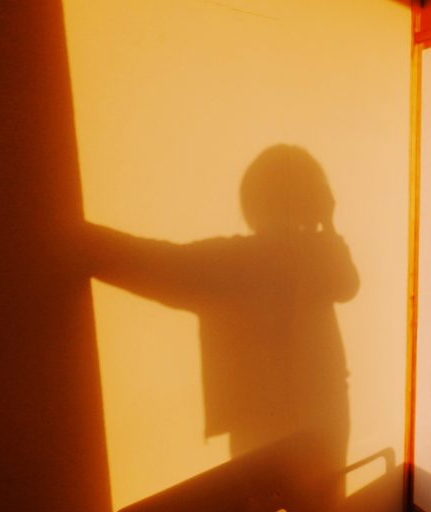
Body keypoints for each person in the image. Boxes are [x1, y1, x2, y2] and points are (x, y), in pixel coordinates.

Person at [86, 144, 359, 511]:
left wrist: (83, 241)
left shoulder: (232, 261)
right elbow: (347, 283)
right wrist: (326, 224)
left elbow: (157, 265)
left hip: (259, 423)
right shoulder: (315, 254)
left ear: (253, 202)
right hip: (321, 416)